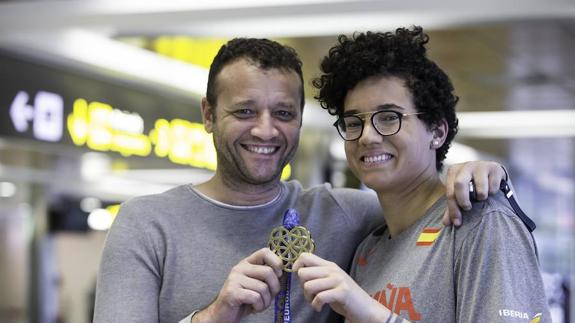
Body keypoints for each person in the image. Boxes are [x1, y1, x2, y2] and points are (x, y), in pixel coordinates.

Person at [93, 37, 510, 323]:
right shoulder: (144, 224)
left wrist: (482, 176)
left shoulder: (346, 214)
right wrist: (215, 314)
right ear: (207, 114)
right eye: (244, 112)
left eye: (284, 114)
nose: (265, 130)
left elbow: (419, 198)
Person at [292, 27, 550, 322]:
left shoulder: (482, 222)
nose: (367, 136)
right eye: (353, 122)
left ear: (437, 132)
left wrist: (373, 314)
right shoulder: (369, 249)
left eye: (389, 118)